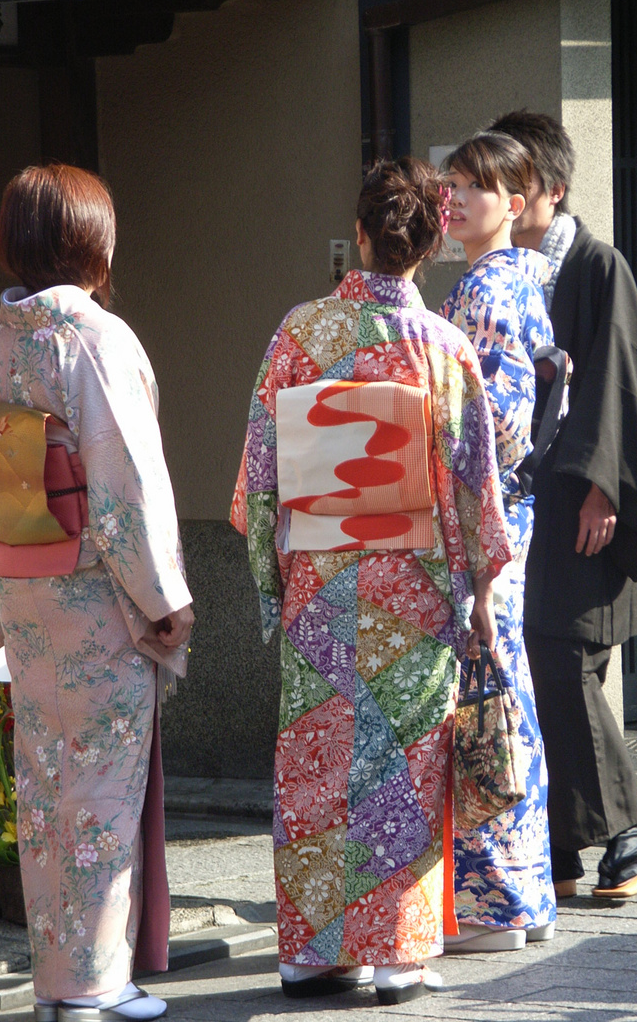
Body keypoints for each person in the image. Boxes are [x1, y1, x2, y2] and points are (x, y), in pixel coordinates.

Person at [230, 157, 514, 1004]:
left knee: (318, 759)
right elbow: (474, 490)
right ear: (427, 248)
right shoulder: (443, 346)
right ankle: (394, 955)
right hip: (417, 594)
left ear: (360, 235)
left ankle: (309, 954)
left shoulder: (301, 333)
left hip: (322, 584)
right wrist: (482, 597)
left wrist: (271, 582)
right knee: (400, 767)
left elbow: (259, 473)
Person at [0, 164, 194, 1022]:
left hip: (28, 594)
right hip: (100, 598)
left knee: (45, 783)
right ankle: (94, 984)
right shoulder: (96, 338)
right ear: (91, 242)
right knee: (102, 787)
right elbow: (127, 483)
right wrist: (163, 598)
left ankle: (60, 982)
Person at [489, 109, 637, 899]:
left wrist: (605, 487)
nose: (502, 194)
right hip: (528, 498)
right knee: (541, 662)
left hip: (582, 500)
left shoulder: (596, 265)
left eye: (514, 182)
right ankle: (560, 847)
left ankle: (628, 833)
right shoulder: (508, 271)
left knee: (563, 661)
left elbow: (619, 383)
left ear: (552, 191)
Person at [439, 131, 557, 950]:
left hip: (486, 519)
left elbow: (497, 424)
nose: (452, 200)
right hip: (506, 515)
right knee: (504, 691)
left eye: (471, 189)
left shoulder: (488, 287)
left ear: (514, 205)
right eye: (448, 185)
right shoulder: (512, 280)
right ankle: (525, 897)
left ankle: (495, 901)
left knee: (486, 697)